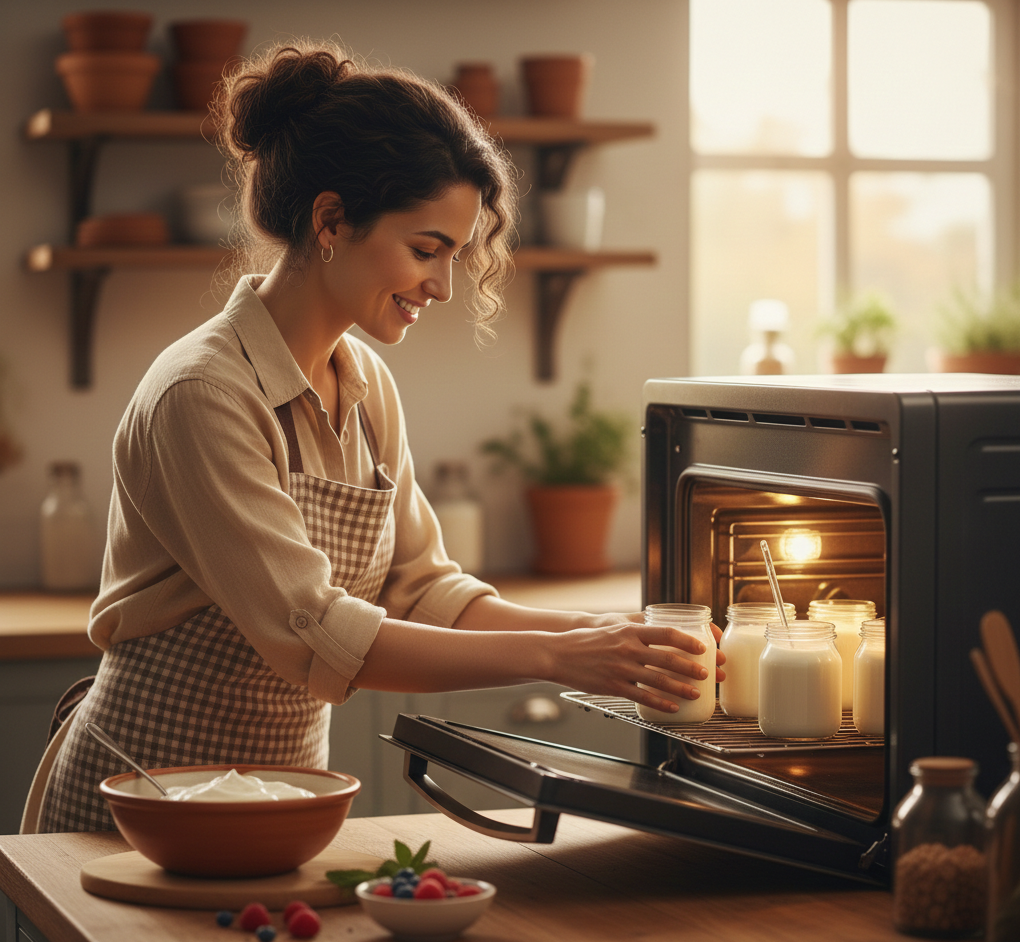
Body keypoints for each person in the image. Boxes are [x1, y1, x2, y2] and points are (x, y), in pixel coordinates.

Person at [32, 41, 725, 833]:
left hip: (284, 799)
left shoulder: (364, 384)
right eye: (425, 250)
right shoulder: (203, 393)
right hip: (142, 802)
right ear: (331, 220)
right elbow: (316, 633)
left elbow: (421, 590)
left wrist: (604, 635)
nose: (443, 285)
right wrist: (562, 657)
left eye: (454, 256)